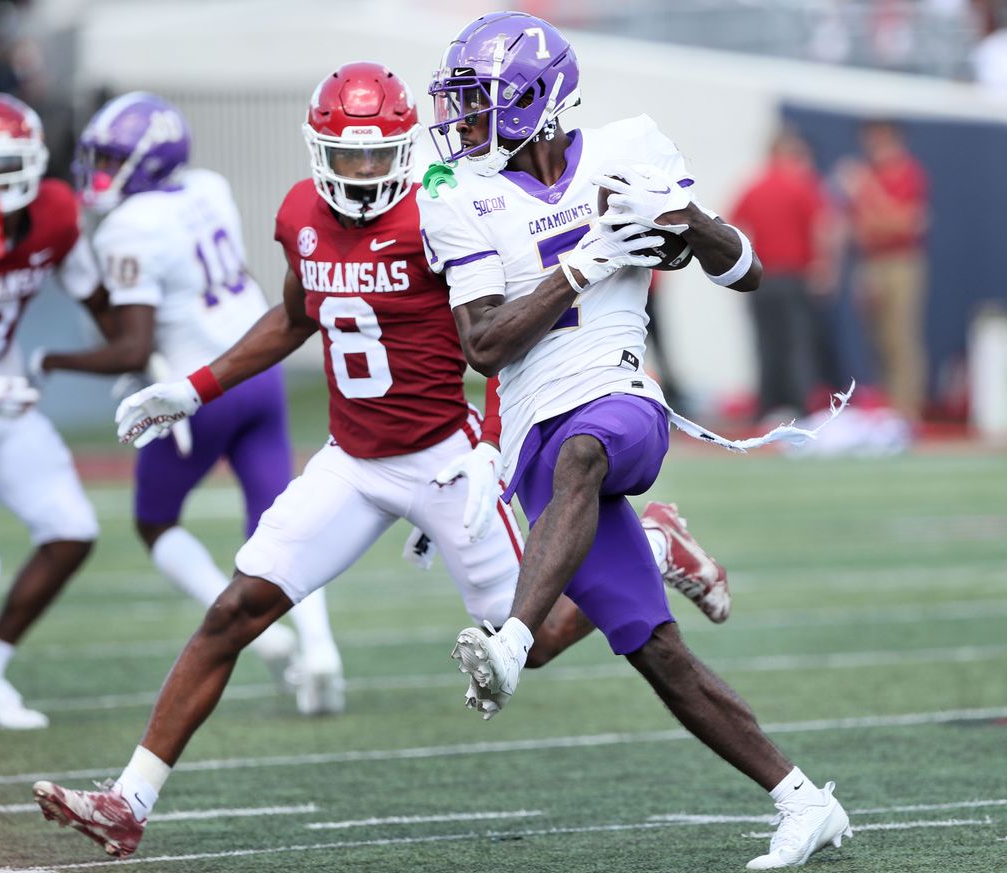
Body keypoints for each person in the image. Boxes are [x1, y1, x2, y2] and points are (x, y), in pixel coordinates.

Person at [30, 61, 729, 861]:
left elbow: (502, 349)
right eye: (346, 154)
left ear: (402, 146)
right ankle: (129, 800)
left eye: (374, 154)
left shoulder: (447, 206)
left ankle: (653, 544)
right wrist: (193, 388)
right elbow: (296, 318)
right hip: (354, 458)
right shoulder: (301, 211)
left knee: (521, 642)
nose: (361, 171)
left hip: (444, 455)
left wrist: (491, 455)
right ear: (317, 147)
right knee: (234, 612)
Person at [420, 12, 851, 869]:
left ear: (535, 103)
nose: (462, 121)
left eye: (479, 102)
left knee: (585, 455)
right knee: (654, 649)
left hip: (621, 402)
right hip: (534, 440)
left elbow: (745, 266)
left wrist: (683, 215)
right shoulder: (459, 197)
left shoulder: (628, 148)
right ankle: (805, 801)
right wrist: (582, 261)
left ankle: (506, 637)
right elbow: (484, 344)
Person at [27, 91, 345, 715]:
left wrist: (49, 360)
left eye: (113, 158)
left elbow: (130, 347)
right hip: (259, 368)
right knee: (279, 524)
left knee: (155, 521)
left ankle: (273, 644)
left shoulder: (128, 226)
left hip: (200, 387)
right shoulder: (208, 185)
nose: (99, 171)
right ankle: (322, 648)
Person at [0, 93, 99, 730]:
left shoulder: (59, 213)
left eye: (13, 164)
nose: (0, 182)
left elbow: (97, 294)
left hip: (2, 392)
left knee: (71, 530)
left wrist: (152, 361)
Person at [730, 127, 846, 421]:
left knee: (765, 343)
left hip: (760, 278)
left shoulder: (753, 186)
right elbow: (823, 227)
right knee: (797, 343)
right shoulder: (802, 185)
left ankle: (766, 408)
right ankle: (801, 407)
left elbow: (733, 227)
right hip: (794, 276)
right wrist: (825, 266)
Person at [838, 119, 929, 425]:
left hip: (899, 260)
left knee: (900, 337)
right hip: (870, 261)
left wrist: (868, 193)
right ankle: (888, 407)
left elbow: (905, 222)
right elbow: (856, 226)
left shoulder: (905, 173)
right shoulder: (869, 174)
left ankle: (907, 409)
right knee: (875, 338)